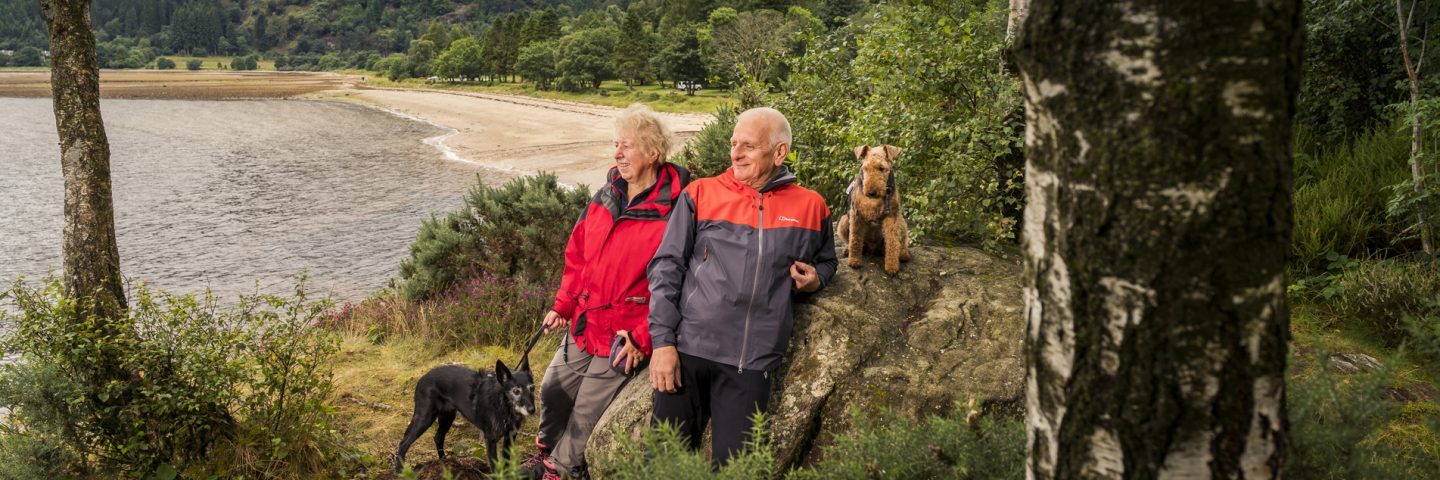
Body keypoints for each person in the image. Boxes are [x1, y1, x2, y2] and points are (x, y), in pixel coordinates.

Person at [647, 107, 838, 467]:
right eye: (734, 144)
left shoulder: (811, 206)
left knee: (736, 471)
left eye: (748, 146)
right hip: (688, 354)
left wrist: (816, 279)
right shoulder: (700, 194)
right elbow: (665, 268)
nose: (735, 153)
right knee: (662, 467)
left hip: (751, 363)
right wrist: (662, 344)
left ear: (779, 152)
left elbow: (828, 261)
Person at [525, 104, 690, 479]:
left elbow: (680, 284)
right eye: (616, 144)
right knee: (553, 389)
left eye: (626, 146)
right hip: (585, 321)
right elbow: (578, 255)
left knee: (586, 409)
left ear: (652, 153)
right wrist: (563, 305)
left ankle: (563, 469)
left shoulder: (677, 208)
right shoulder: (605, 194)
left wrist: (646, 338)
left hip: (626, 335)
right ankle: (546, 452)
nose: (617, 153)